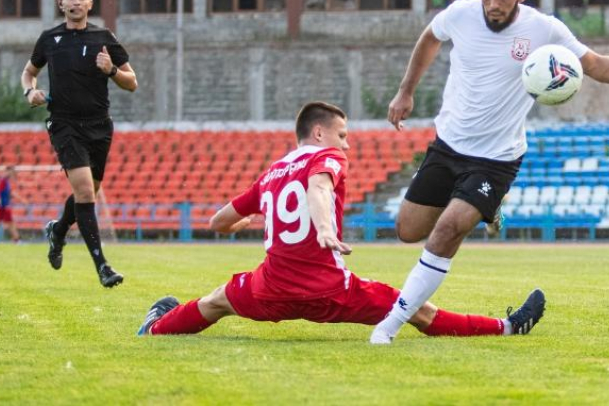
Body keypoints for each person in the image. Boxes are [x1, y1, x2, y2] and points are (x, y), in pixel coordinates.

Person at [370, 0, 609, 344]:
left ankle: (389, 327)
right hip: (448, 146)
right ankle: (484, 208)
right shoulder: (460, 15)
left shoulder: (544, 29)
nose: (493, 4)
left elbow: (594, 63)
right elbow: (430, 37)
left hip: (496, 159)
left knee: (448, 230)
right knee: (407, 229)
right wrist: (405, 91)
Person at [137, 102, 545, 340]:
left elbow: (216, 222)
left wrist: (246, 221)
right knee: (417, 310)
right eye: (343, 134)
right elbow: (318, 189)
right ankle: (506, 327)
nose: (347, 143)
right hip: (330, 290)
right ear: (319, 133)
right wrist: (327, 230)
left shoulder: (271, 174)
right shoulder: (327, 157)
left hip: (270, 288)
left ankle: (155, 329)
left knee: (215, 301)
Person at [21, 0, 138, 288]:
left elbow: (132, 82)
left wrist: (111, 70)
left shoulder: (104, 37)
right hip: (64, 123)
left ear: (90, 4)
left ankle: (58, 231)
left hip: (100, 125)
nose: (75, 2)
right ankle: (102, 265)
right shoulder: (49, 39)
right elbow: (28, 72)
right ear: (61, 4)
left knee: (88, 192)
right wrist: (29, 92)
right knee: (86, 192)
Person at [0, 166, 21, 243]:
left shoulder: (6, 181)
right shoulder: (3, 181)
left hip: (3, 206)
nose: (12, 174)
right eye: (11, 172)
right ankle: (17, 240)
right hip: (4, 206)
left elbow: (6, 193)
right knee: (9, 223)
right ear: (7, 172)